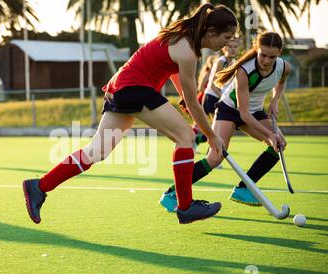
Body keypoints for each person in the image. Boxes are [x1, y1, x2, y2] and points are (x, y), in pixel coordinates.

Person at [22, 3, 238, 225]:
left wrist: (183, 96)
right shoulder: (188, 50)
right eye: (227, 36)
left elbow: (174, 73)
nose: (228, 42)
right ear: (211, 32)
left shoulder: (180, 35)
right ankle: (185, 206)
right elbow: (194, 103)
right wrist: (211, 136)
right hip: (136, 89)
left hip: (120, 87)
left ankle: (39, 187)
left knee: (96, 151)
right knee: (186, 136)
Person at [159, 31, 290, 212]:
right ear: (256, 50)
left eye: (272, 57)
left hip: (256, 111)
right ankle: (171, 194)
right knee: (214, 158)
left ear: (279, 54)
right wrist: (269, 134)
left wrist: (275, 101)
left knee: (279, 144)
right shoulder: (244, 71)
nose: (266, 61)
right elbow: (243, 114)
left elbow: (281, 81)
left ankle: (244, 189)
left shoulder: (283, 67)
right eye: (263, 55)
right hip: (229, 110)